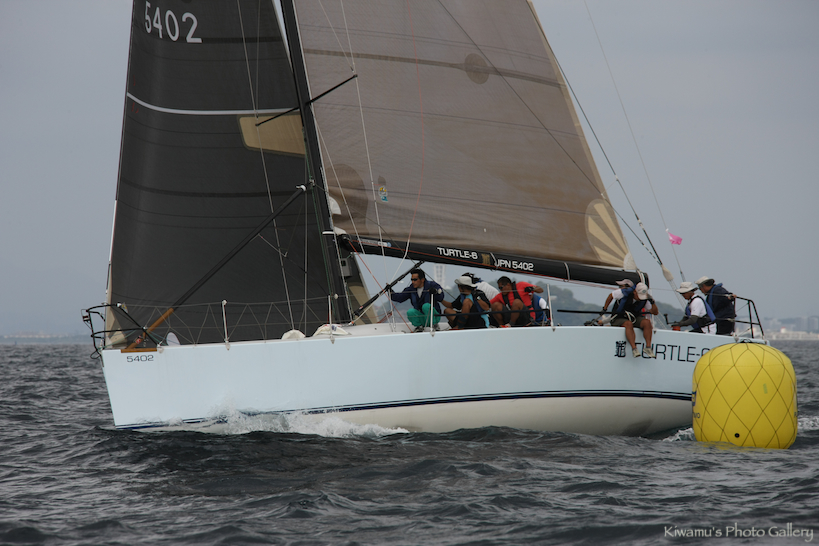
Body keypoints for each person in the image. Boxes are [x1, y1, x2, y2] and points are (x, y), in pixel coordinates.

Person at [611, 282, 658, 358]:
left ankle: (648, 347)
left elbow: (655, 312)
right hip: (619, 317)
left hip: (634, 318)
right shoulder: (623, 293)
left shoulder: (644, 300)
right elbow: (611, 296)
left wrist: (652, 302)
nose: (640, 298)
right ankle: (634, 348)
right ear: (635, 292)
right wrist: (604, 308)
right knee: (628, 324)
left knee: (647, 322)